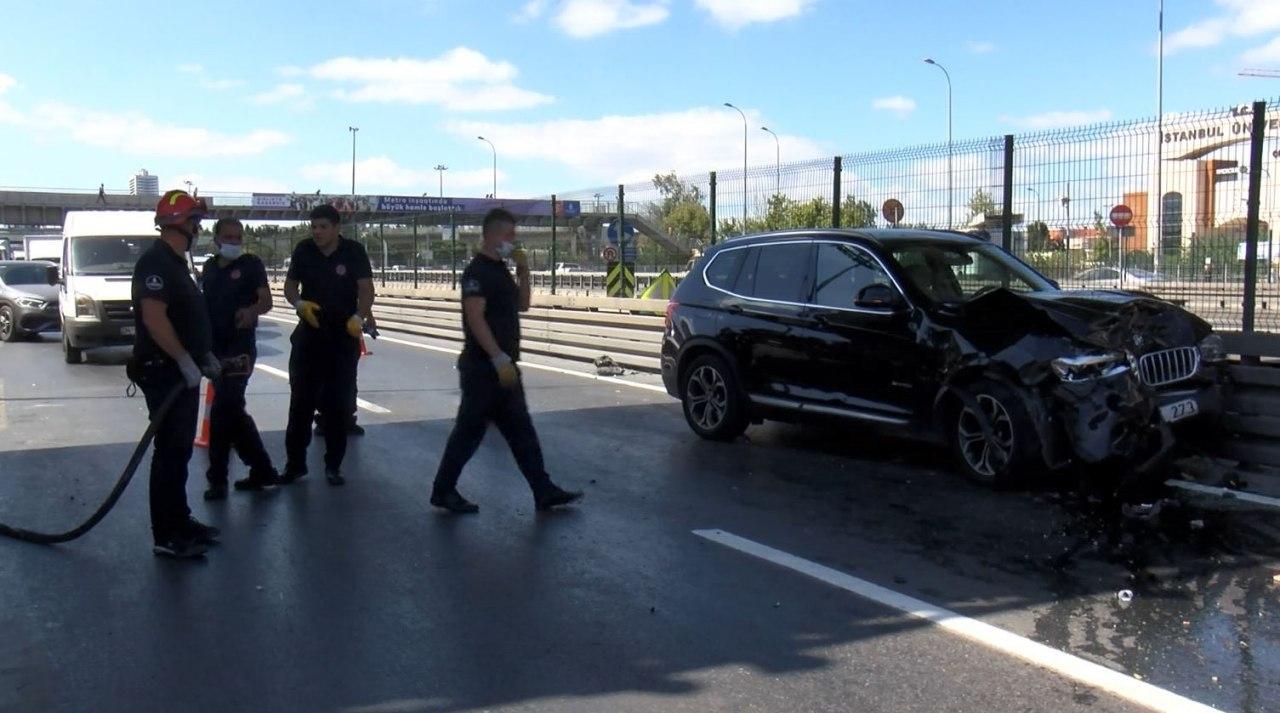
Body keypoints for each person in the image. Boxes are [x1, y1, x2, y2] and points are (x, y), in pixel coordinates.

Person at [430, 208, 582, 514]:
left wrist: (524, 272)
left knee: (522, 431)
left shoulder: (502, 271)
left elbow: (523, 305)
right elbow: (475, 318)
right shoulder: (477, 272)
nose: (514, 240)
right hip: (483, 368)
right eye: (509, 235)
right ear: (492, 235)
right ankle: (443, 490)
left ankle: (543, 490)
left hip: (505, 368)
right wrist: (497, 357)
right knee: (468, 433)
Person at [129, 189, 222, 558]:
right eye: (195, 221)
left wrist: (202, 354)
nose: (198, 229)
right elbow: (155, 319)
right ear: (184, 224)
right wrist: (184, 360)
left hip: (181, 372)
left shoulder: (176, 263)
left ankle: (180, 520)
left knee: (180, 450)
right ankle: (166, 535)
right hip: (165, 372)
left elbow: (185, 317)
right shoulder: (156, 263)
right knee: (170, 452)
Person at [281, 204, 375, 486]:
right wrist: (298, 303)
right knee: (301, 403)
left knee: (338, 406)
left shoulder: (354, 251)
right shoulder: (304, 250)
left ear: (336, 228)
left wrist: (359, 316)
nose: (317, 232)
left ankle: (333, 465)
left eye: (323, 227)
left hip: (342, 337)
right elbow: (290, 286)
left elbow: (366, 289)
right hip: (309, 335)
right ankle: (295, 465)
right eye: (314, 227)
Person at [199, 218, 281, 500]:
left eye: (238, 237)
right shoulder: (209, 268)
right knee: (231, 410)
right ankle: (262, 470)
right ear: (216, 239)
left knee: (224, 408)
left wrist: (251, 311)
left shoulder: (251, 265)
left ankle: (218, 479)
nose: (234, 242)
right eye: (228, 237)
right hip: (215, 349)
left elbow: (266, 301)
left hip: (240, 349)